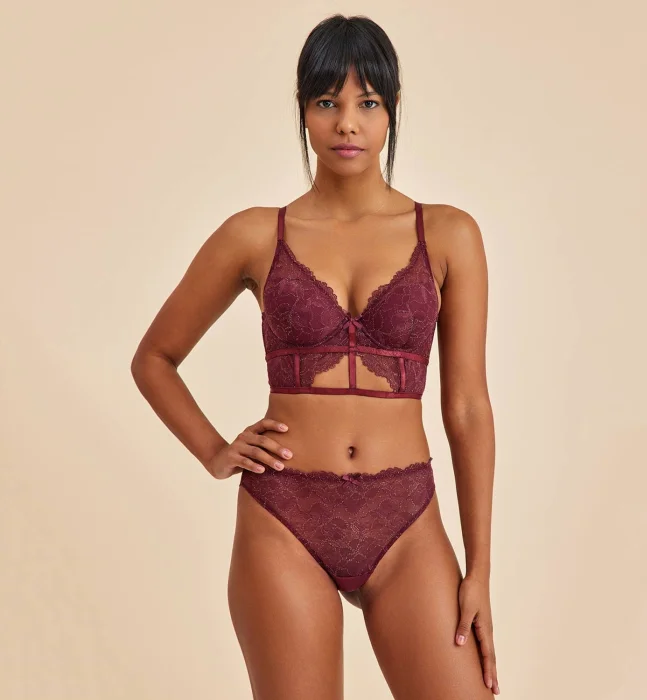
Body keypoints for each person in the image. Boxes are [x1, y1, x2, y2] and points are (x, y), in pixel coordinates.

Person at [131, 13, 499, 700]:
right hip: (284, 518)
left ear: (393, 109)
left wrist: (479, 570)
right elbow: (154, 358)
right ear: (303, 109)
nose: (347, 123)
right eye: (327, 101)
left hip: (406, 519)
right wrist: (215, 451)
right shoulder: (254, 234)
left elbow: (468, 408)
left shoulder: (449, 234)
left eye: (368, 102)